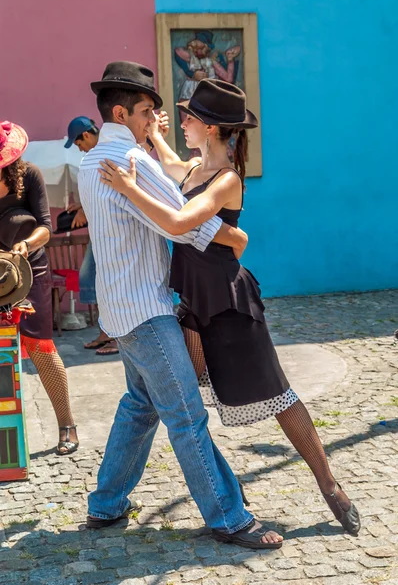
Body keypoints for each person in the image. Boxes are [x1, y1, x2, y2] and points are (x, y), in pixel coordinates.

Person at [99, 78, 361, 536]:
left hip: (230, 305)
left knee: (279, 395)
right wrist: (156, 135)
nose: (181, 122)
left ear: (215, 127)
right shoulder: (193, 167)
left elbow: (179, 220)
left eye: (190, 118)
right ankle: (226, 496)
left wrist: (127, 188)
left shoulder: (227, 180)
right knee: (184, 402)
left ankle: (329, 484)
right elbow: (174, 166)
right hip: (193, 305)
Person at [79, 61, 283, 549]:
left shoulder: (91, 160)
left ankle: (107, 505)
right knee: (187, 415)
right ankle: (229, 518)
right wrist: (234, 235)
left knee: (140, 405)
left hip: (120, 306)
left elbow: (169, 201)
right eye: (149, 111)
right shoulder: (132, 163)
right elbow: (183, 223)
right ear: (124, 112)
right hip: (146, 310)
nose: (155, 118)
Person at [0, 121, 78, 454]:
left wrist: (26, 244)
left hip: (30, 269)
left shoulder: (29, 176)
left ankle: (67, 425)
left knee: (40, 346)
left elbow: (46, 227)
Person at [64, 116, 120, 355]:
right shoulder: (95, 158)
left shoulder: (105, 155)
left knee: (109, 282)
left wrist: (85, 210)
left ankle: (117, 337)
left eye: (79, 144)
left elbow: (111, 191)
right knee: (92, 280)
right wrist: (81, 206)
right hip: (101, 233)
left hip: (114, 232)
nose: (80, 149)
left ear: (86, 135)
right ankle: (107, 333)